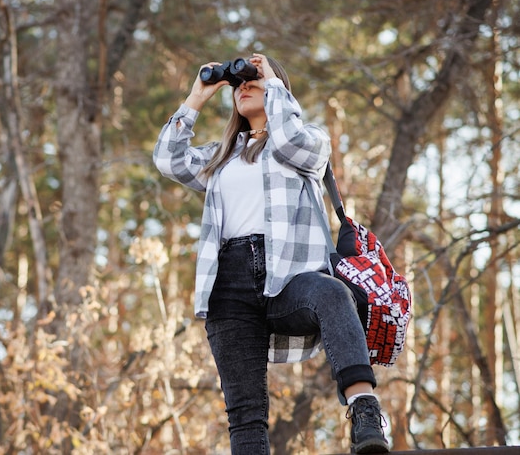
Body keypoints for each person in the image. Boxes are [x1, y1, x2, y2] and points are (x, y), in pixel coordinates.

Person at [153, 53, 390, 454]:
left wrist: (271, 81)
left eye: (255, 79)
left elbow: (291, 140)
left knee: (332, 294)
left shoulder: (308, 141)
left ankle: (364, 411)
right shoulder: (222, 155)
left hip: (291, 277)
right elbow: (168, 159)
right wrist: (198, 94)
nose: (244, 85)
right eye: (240, 83)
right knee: (245, 413)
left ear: (279, 89)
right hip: (228, 286)